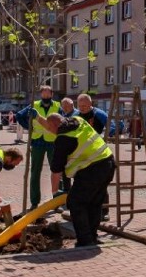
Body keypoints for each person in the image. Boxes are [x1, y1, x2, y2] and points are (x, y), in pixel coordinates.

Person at [36, 112, 116, 247]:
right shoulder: (78, 120)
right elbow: (53, 122)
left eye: (49, 129)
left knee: (75, 202)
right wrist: (38, 118)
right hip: (108, 163)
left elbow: (56, 171)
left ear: (54, 126)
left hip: (92, 170)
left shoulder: (63, 139)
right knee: (94, 203)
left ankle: (85, 240)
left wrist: (55, 193)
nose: (50, 132)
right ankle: (92, 236)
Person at [15, 85, 60, 210]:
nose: (45, 96)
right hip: (37, 141)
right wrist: (29, 126)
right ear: (41, 95)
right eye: (43, 93)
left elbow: (63, 120)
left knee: (56, 171)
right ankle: (34, 201)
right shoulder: (34, 105)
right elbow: (19, 115)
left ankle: (57, 200)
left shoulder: (57, 106)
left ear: (51, 94)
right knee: (35, 172)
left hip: (52, 142)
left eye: (48, 93)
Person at [76, 93, 110, 219]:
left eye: (84, 105)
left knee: (101, 182)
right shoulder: (76, 116)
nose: (82, 108)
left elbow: (112, 125)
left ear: (90, 104)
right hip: (82, 153)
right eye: (80, 106)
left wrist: (106, 135)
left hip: (99, 153)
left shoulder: (99, 114)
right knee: (83, 181)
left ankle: (104, 211)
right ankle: (87, 210)